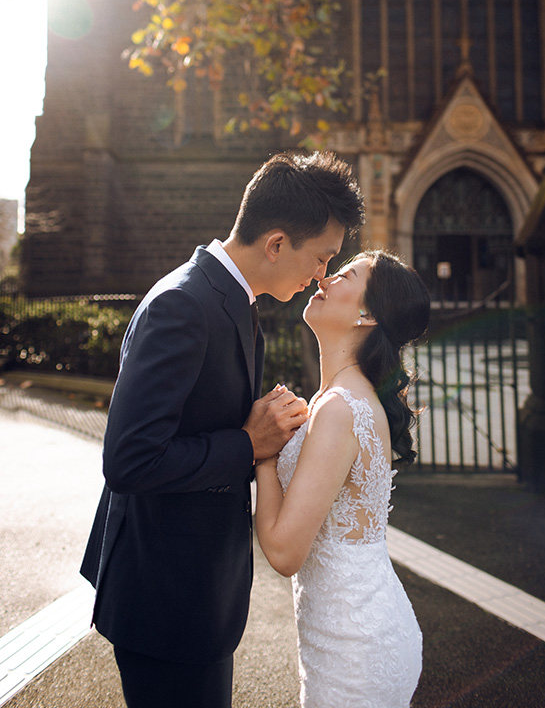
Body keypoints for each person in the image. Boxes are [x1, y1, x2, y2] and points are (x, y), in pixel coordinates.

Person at [79, 150, 365, 708]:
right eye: (322, 257)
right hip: (166, 597)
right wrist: (249, 442)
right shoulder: (183, 305)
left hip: (197, 592)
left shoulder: (230, 299)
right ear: (277, 243)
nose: (323, 275)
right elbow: (130, 460)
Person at [253, 250, 430, 707]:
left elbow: (284, 550)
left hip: (352, 648)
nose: (326, 278)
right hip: (361, 627)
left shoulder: (337, 408)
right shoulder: (342, 398)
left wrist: (263, 454)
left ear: (367, 315)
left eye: (346, 273)